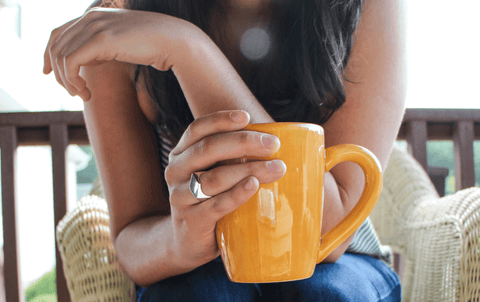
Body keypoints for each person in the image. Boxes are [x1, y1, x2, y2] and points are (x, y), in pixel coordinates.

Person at [43, 0, 405, 300]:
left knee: (325, 293)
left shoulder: (364, 7)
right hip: (191, 270)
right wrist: (179, 240)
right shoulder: (114, 28)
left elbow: (327, 236)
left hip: (339, 264)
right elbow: (131, 239)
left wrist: (187, 49)